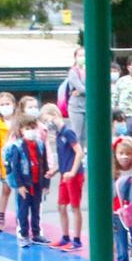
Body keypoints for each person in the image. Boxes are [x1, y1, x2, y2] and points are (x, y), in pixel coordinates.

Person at [3, 112, 51, 249]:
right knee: (23, 210)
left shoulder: (40, 145)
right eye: (27, 128)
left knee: (36, 209)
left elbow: (45, 164)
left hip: (37, 184)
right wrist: (19, 185)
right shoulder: (17, 147)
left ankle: (36, 233)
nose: (31, 131)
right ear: (21, 130)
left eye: (33, 128)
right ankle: (23, 234)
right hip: (24, 185)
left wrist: (46, 183)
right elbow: (15, 167)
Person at [52, 102, 84, 249]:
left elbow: (79, 152)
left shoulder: (68, 132)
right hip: (64, 174)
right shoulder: (58, 135)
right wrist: (55, 170)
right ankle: (65, 236)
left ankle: (77, 240)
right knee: (61, 206)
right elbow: (64, 157)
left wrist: (72, 171)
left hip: (73, 175)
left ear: (55, 116)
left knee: (75, 207)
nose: (48, 124)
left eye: (48, 119)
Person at [0, 91, 18, 232]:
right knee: (5, 190)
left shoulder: (19, 121)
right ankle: (1, 215)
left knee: (20, 190)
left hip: (18, 161)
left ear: (14, 105)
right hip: (5, 163)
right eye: (2, 104)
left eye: (8, 104)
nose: (5, 106)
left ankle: (21, 217)